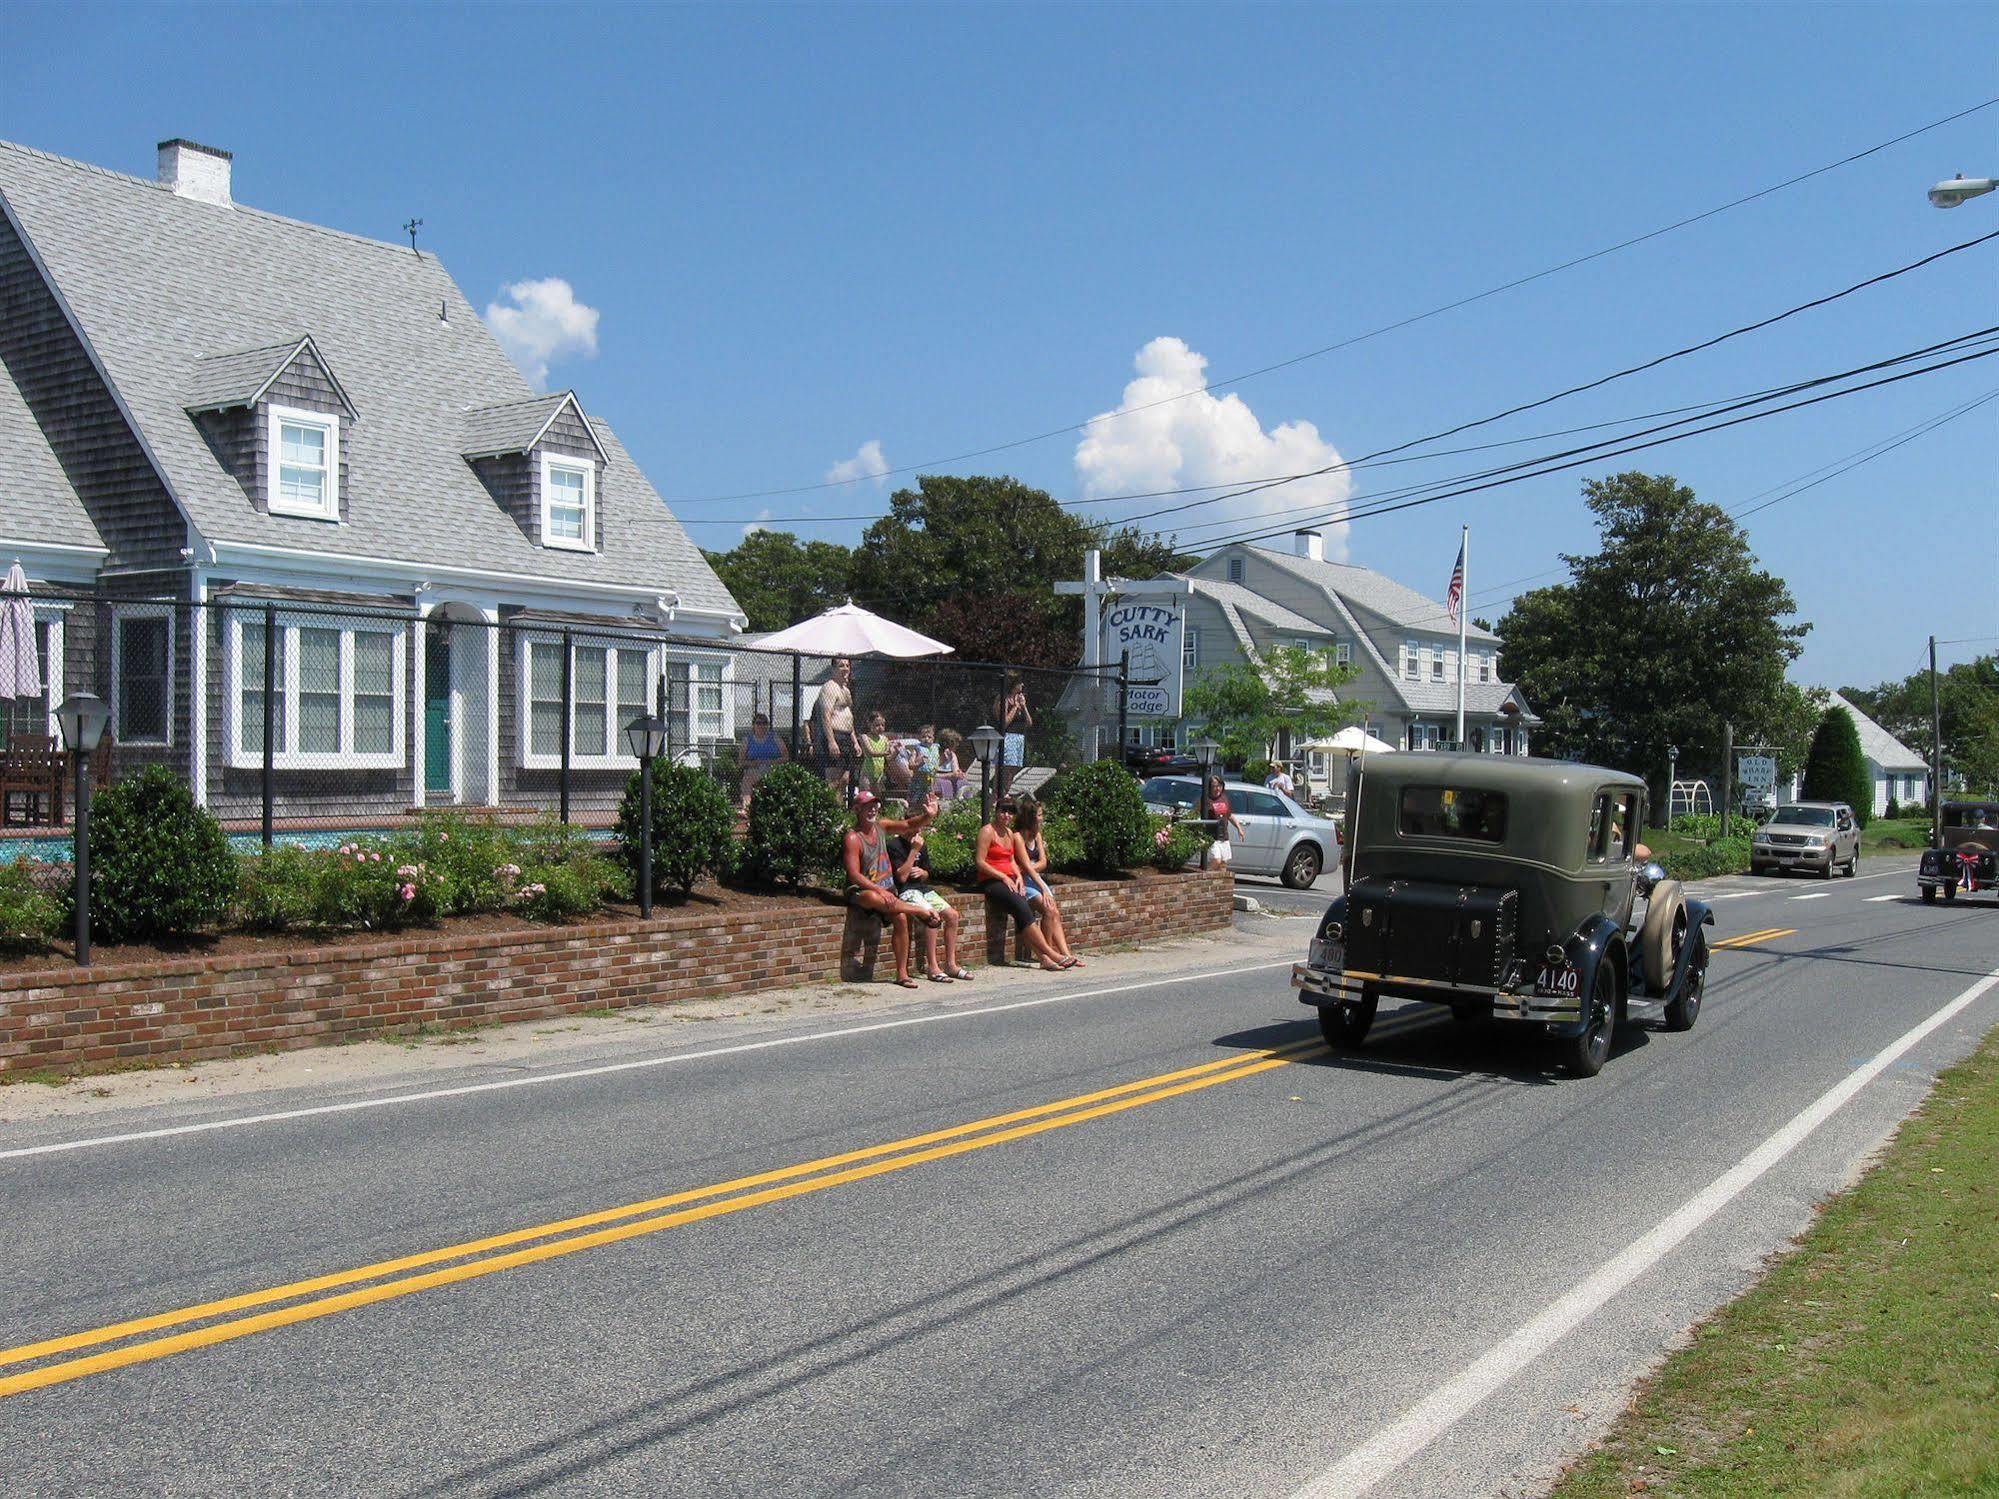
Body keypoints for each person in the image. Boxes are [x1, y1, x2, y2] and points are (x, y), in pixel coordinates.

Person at [842, 790, 943, 989]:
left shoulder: (881, 826)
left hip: (888, 891)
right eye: (867, 806)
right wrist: (880, 891)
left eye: (874, 806)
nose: (872, 810)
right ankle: (921, 911)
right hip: (862, 891)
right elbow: (854, 875)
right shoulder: (853, 838)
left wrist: (928, 816)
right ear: (857, 809)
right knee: (872, 896)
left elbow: (908, 825)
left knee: (901, 917)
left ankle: (902, 974)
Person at [975, 798, 1070, 971]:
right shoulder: (987, 831)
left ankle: (1045, 959)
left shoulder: (1009, 833)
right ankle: (1050, 953)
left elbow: (1011, 860)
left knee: (1023, 909)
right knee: (1021, 906)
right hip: (992, 881)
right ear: (996, 812)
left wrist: (1018, 876)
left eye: (1010, 812)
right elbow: (980, 862)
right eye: (1003, 811)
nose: (1006, 815)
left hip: (1010, 880)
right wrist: (1003, 877)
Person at [886, 820, 971, 982]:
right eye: (912, 829)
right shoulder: (894, 845)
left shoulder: (921, 843)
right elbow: (902, 877)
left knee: (952, 915)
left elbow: (927, 873)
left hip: (923, 889)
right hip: (905, 891)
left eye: (918, 829)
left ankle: (951, 964)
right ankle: (932, 967)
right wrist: (913, 851)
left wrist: (922, 872)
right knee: (932, 917)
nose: (916, 833)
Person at [1012, 799, 1079, 966]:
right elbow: (1025, 867)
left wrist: (1032, 868)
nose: (1041, 818)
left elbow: (1043, 862)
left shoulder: (1037, 835)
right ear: (1030, 817)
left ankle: (1065, 954)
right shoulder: (1018, 837)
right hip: (1023, 882)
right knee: (1049, 911)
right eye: (1039, 815)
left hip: (1034, 877)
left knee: (1054, 912)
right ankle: (1048, 956)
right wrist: (1042, 886)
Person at [815, 657, 862, 796]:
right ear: (833, 669)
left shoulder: (846, 690)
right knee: (833, 780)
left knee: (844, 780)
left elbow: (849, 717)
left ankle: (840, 814)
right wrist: (831, 741)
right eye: (841, 666)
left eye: (847, 665)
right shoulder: (829, 687)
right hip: (835, 736)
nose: (846, 669)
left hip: (847, 737)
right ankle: (829, 813)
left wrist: (854, 741)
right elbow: (825, 716)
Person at [738, 712, 788, 808]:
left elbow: (786, 757)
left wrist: (771, 762)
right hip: (755, 769)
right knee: (747, 778)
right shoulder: (747, 740)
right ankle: (747, 807)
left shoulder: (775, 737)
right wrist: (752, 763)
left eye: (764, 723)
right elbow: (740, 762)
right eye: (758, 723)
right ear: (753, 725)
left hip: (773, 768)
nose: (761, 726)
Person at [994, 675, 1031, 795]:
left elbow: (1029, 723)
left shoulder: (1021, 699)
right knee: (1003, 770)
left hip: (1019, 739)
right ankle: (997, 794)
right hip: (1007, 738)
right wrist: (1015, 707)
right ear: (1014, 684)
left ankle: (1005, 792)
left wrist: (1023, 706)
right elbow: (1004, 723)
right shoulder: (1004, 700)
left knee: (1012, 771)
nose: (1022, 685)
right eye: (1020, 682)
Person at [1204, 774, 1244, 870]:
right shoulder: (1207, 800)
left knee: (1223, 863)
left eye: (1219, 786)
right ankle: (1203, 877)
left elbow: (1229, 815)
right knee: (1216, 860)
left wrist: (1239, 828)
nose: (1217, 789)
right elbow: (1196, 812)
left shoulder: (1224, 798)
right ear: (1209, 787)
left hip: (1224, 835)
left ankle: (1219, 884)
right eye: (1214, 786)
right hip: (1212, 836)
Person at [860, 712, 893, 796]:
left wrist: (896, 751)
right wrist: (886, 752)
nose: (880, 728)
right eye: (877, 725)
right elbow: (871, 753)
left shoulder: (885, 739)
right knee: (865, 796)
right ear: (870, 724)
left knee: (877, 798)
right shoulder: (865, 737)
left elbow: (888, 758)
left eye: (882, 725)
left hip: (879, 774)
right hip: (867, 773)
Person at [932, 729, 968, 801]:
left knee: (962, 782)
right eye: (955, 744)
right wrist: (942, 760)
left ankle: (965, 802)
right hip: (936, 778)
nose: (956, 746)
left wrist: (959, 774)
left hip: (949, 777)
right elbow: (931, 773)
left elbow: (955, 770)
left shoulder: (952, 755)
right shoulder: (933, 753)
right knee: (945, 783)